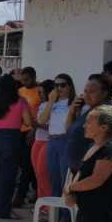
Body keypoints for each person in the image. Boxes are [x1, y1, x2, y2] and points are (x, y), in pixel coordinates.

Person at [67, 74, 112, 222]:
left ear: (105, 93)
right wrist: (73, 110)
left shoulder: (106, 117)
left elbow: (100, 176)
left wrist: (72, 187)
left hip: (99, 190)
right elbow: (69, 131)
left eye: (91, 91)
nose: (86, 94)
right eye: (85, 90)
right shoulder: (86, 112)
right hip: (81, 175)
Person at [0, 74, 32, 219]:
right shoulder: (20, 101)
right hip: (11, 136)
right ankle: (3, 209)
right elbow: (28, 122)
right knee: (8, 175)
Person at [41, 73, 75, 208]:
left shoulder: (74, 102)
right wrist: (50, 101)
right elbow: (42, 120)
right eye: (56, 85)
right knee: (53, 178)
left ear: (70, 86)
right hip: (52, 141)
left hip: (65, 141)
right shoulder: (51, 103)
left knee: (64, 179)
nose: (59, 88)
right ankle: (55, 212)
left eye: (62, 85)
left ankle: (66, 215)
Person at [14, 67, 43, 208]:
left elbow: (42, 112)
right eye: (22, 80)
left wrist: (34, 129)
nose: (24, 82)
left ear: (34, 77)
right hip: (20, 130)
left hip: (34, 131)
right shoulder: (20, 91)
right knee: (24, 164)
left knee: (30, 165)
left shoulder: (40, 90)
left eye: (27, 79)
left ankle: (21, 196)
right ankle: (30, 193)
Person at [30, 80, 55, 208]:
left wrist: (37, 124)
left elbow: (52, 126)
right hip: (38, 140)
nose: (40, 95)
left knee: (43, 175)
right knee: (38, 175)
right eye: (38, 92)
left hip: (47, 141)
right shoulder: (42, 104)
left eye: (42, 92)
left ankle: (48, 207)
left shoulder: (53, 106)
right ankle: (42, 205)